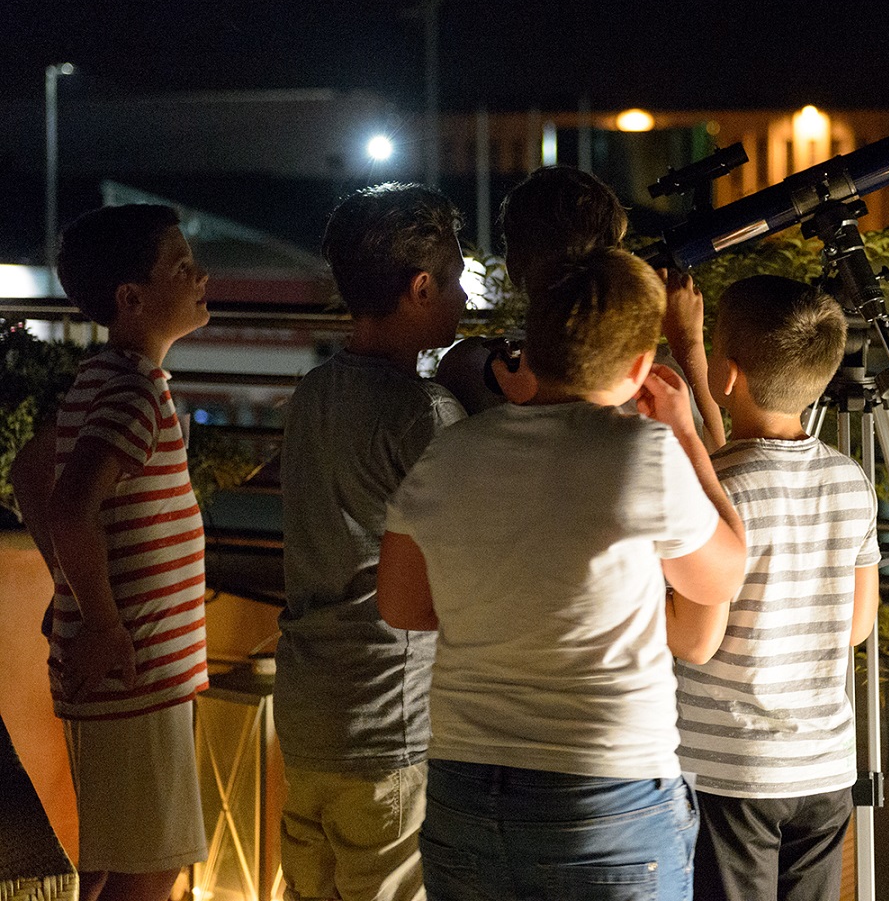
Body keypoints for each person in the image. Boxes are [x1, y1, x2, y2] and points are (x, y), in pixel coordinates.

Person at [376, 247, 747, 901]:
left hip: (465, 790)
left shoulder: (451, 450)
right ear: (639, 366)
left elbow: (402, 605)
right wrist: (686, 435)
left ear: (532, 348)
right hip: (605, 794)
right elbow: (720, 578)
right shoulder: (640, 452)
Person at [275, 183, 469, 901]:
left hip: (309, 711)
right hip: (390, 719)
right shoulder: (426, 413)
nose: (464, 298)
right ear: (420, 288)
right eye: (455, 280)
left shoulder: (312, 393)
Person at [670, 274, 882, 901]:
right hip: (823, 770)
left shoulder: (711, 488)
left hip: (732, 772)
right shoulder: (851, 481)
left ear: (727, 374)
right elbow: (857, 627)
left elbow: (725, 486)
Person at [45, 203, 212, 901]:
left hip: (127, 674)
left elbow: (34, 471)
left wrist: (72, 595)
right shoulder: (134, 392)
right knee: (149, 868)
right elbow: (69, 507)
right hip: (134, 672)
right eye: (181, 267)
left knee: (112, 861)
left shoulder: (102, 378)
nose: (201, 277)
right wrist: (104, 623)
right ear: (131, 298)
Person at [436, 165, 725, 449]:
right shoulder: (653, 380)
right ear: (617, 260)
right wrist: (688, 342)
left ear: (513, 263)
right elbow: (713, 458)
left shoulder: (468, 367)